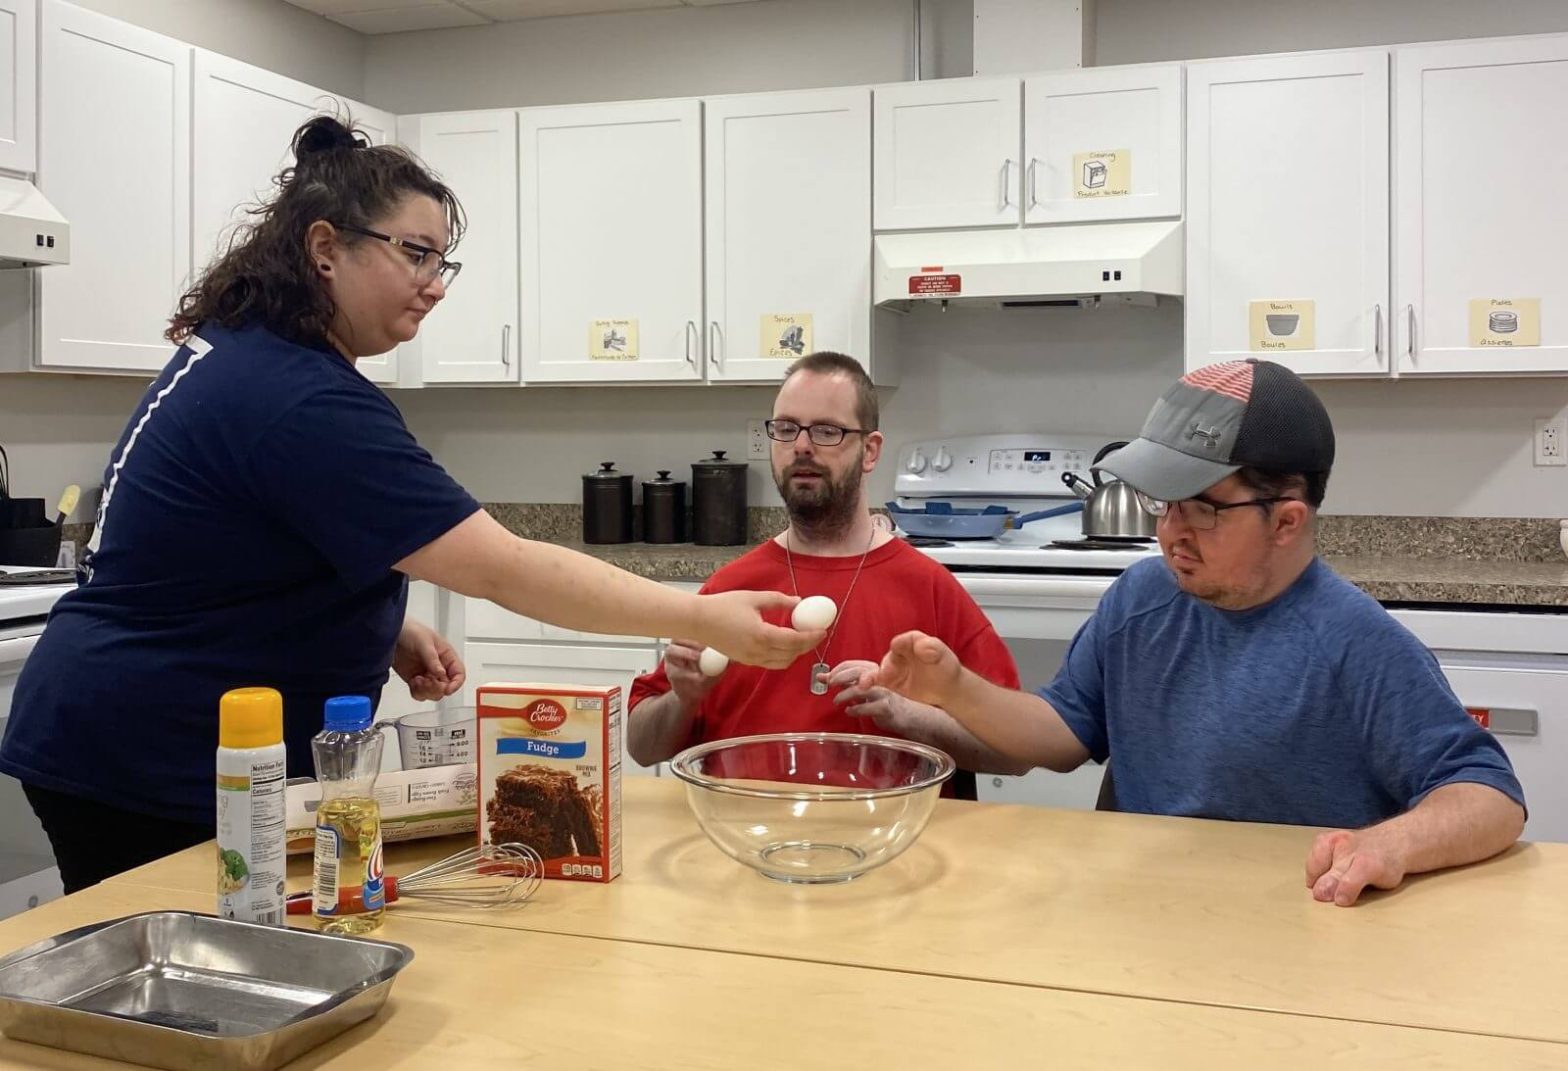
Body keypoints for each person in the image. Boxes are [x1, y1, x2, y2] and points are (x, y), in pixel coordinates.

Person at [0, 115, 819, 893]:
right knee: (181, 1001)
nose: (434, 285)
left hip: (126, 730)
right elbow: (507, 568)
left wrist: (384, 625)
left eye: (441, 263)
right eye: (415, 254)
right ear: (326, 248)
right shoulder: (298, 398)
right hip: (151, 756)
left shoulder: (250, 358)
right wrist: (710, 619)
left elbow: (231, 551)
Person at [859, 358, 1526, 905]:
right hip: (1141, 911)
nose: (1170, 531)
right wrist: (952, 687)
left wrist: (1389, 844)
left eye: (1203, 509)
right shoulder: (1141, 599)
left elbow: (1490, 795)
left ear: (1287, 521)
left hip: (1289, 930)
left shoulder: (1358, 644)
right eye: (1165, 502)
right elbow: (1061, 734)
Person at [626, 352, 1026, 798]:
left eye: (826, 431)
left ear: (870, 450)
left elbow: (1016, 751)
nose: (801, 445)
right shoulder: (731, 589)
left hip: (890, 843)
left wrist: (903, 713)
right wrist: (685, 698)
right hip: (743, 837)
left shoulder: (929, 590)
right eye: (786, 428)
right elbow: (641, 746)